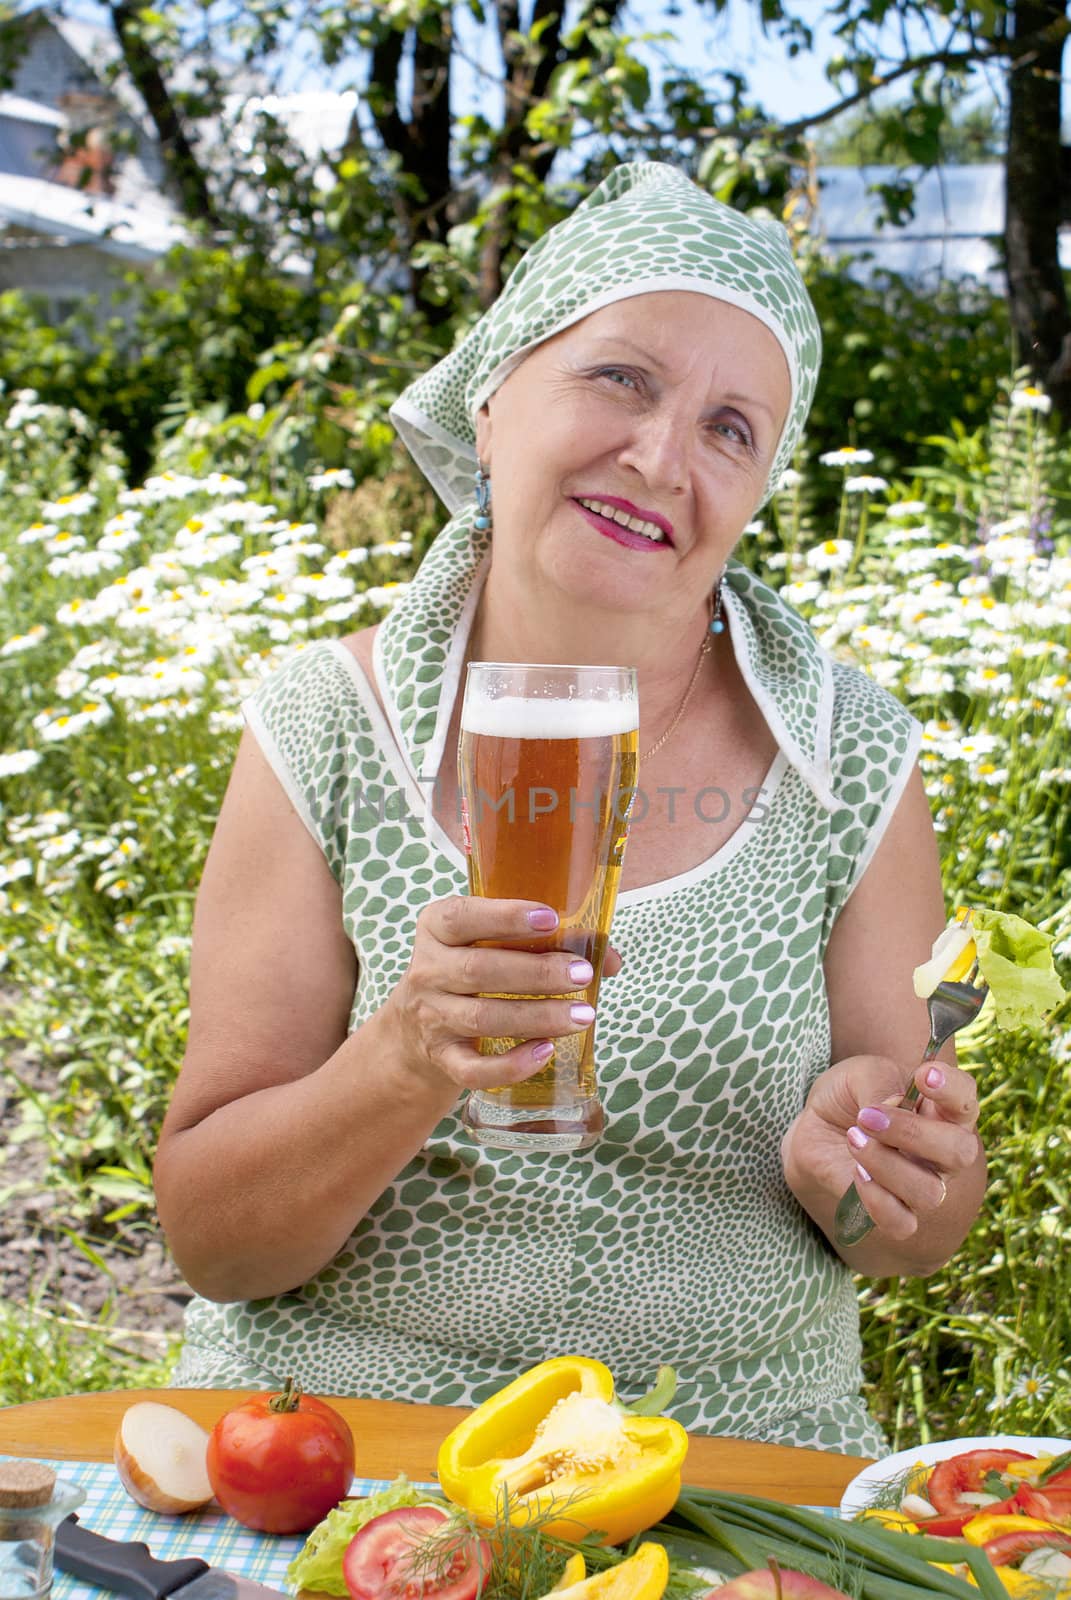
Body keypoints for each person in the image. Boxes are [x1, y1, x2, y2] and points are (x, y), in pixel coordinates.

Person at [157, 162, 986, 1453]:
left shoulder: (848, 755)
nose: (661, 457)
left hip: (726, 1451)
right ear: (490, 400)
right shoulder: (326, 722)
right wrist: (404, 1059)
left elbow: (906, 1239)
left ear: (759, 486)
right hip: (345, 1448)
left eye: (730, 427)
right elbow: (214, 1241)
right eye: (620, 377)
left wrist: (882, 1183)